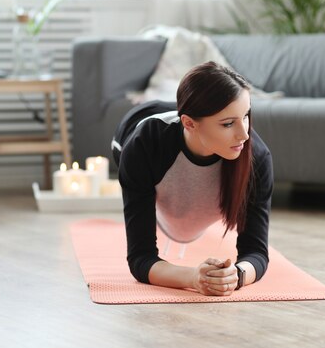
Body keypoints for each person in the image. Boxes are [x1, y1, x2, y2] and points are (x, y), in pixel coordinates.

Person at [111, 61, 273, 296]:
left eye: (246, 116)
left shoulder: (256, 156)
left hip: (191, 122)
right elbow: (140, 258)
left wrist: (235, 276)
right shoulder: (142, 146)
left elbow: (256, 252)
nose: (244, 134)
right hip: (138, 128)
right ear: (188, 123)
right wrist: (194, 278)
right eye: (228, 123)